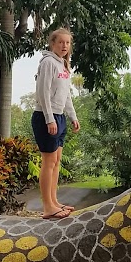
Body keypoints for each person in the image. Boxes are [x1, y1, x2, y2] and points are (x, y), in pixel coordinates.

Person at [31, 27, 80, 220]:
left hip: (59, 117)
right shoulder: (48, 63)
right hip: (45, 117)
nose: (64, 46)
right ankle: (47, 207)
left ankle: (54, 201)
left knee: (56, 162)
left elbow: (66, 95)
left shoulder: (64, 66)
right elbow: (43, 93)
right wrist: (50, 119)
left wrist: (73, 117)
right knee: (48, 162)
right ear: (52, 43)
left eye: (67, 43)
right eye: (60, 42)